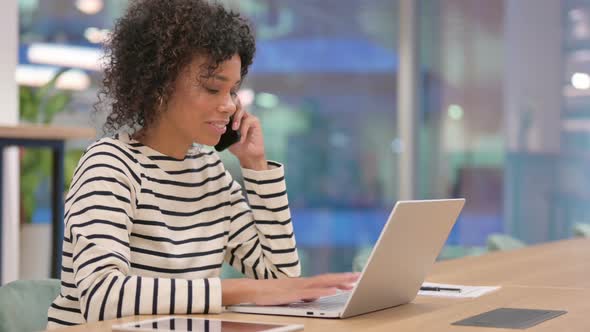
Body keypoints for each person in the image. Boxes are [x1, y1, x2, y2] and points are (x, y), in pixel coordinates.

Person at [46, 0, 358, 328]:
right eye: (212, 88)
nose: (228, 105)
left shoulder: (210, 171)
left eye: (234, 90)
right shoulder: (109, 166)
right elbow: (103, 297)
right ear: (159, 86)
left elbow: (278, 279)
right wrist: (237, 290)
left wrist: (257, 167)